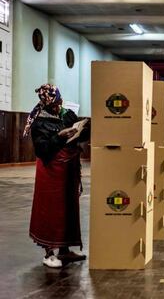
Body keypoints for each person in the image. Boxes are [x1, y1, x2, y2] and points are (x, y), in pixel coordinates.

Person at [23, 83, 90, 268]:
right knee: (51, 211)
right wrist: (60, 136)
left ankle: (64, 250)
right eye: (55, 103)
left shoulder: (65, 114)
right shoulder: (39, 122)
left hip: (67, 172)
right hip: (51, 173)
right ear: (47, 104)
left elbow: (80, 136)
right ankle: (49, 253)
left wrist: (83, 128)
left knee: (68, 210)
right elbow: (43, 149)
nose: (59, 106)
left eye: (60, 101)